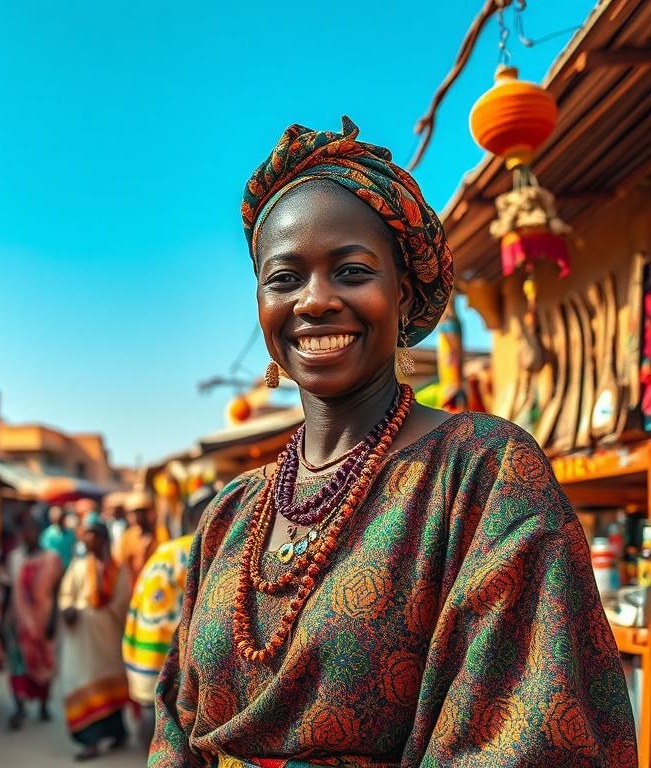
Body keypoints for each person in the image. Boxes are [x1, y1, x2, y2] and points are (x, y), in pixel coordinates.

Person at [150, 119, 637, 766]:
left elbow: (529, 735)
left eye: (351, 272)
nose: (315, 301)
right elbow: (177, 724)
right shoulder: (228, 518)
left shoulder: (482, 476)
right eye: (285, 278)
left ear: (403, 296)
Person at [124, 485, 214, 746]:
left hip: (146, 660)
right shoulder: (203, 551)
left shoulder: (167, 550)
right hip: (171, 665)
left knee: (157, 727)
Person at [59, 513, 131, 761]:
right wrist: (69, 608)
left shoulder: (118, 570)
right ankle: (89, 740)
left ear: (102, 539)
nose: (86, 539)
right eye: (85, 534)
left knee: (110, 683)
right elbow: (66, 594)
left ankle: (117, 733)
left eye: (91, 534)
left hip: (108, 638)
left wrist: (102, 614)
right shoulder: (78, 566)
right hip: (81, 640)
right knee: (81, 682)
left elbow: (123, 603)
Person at [3, 511, 63, 730]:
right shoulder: (14, 558)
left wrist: (53, 621)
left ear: (39, 532)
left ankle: (43, 705)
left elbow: (58, 594)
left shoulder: (52, 560)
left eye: (33, 529)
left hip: (43, 618)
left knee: (44, 662)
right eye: (25, 529)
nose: (28, 534)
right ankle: (19, 706)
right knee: (18, 663)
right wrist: (2, 621)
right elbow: (7, 590)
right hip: (19, 621)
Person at [115, 492, 164, 587]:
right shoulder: (128, 536)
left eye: (140, 512)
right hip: (134, 586)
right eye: (133, 513)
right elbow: (120, 561)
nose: (136, 517)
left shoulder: (160, 533)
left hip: (157, 584)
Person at [40, 505, 77, 570]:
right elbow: (45, 550)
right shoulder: (48, 534)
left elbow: (74, 548)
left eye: (62, 517)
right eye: (58, 517)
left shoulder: (70, 533)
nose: (60, 519)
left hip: (68, 567)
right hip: (53, 569)